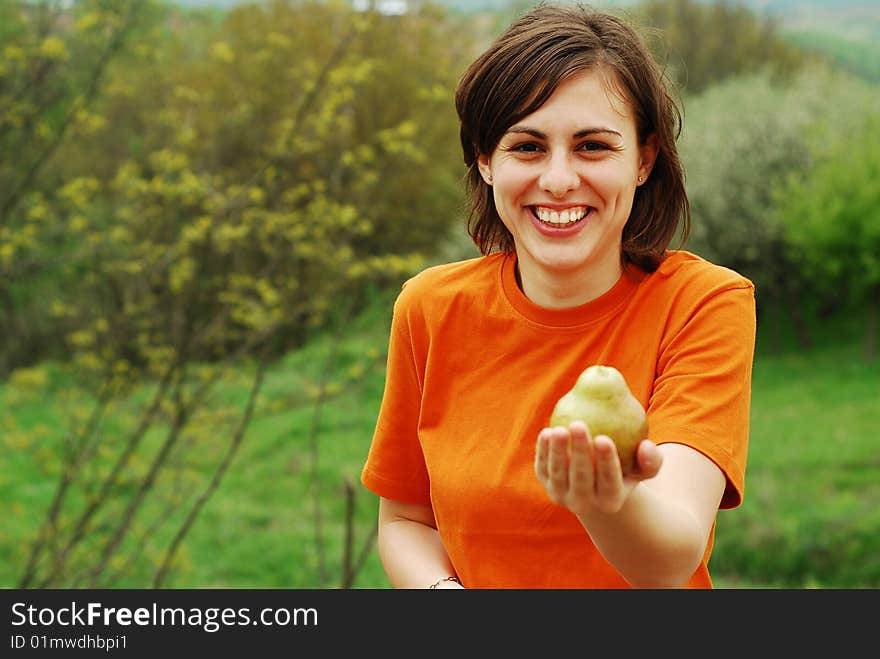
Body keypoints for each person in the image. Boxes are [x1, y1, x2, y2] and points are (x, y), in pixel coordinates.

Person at [360, 2, 756, 589]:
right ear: (485, 159)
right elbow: (404, 520)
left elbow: (670, 559)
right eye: (528, 146)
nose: (560, 179)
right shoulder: (429, 308)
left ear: (643, 160)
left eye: (593, 146)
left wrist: (601, 500)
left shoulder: (702, 303)